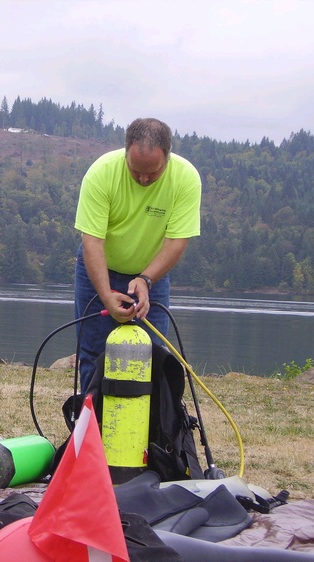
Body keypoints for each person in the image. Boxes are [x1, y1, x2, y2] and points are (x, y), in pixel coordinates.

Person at [74, 118, 201, 390]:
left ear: (168, 157)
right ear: (125, 154)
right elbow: (92, 241)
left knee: (153, 358)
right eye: (136, 171)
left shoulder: (186, 178)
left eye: (152, 173)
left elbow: (177, 241)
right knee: (93, 355)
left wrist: (146, 279)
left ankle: (147, 430)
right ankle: (91, 429)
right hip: (98, 271)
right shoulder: (101, 173)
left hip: (151, 276)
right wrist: (106, 294)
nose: (143, 179)